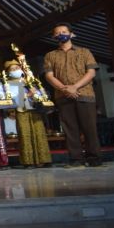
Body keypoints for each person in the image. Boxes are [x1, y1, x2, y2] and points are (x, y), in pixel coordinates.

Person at [43, 22, 101, 168]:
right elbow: (49, 76)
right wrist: (65, 89)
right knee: (70, 129)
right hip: (63, 96)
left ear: (71, 34)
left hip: (85, 94)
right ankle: (76, 159)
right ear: (54, 36)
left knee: (89, 128)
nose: (61, 34)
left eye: (64, 31)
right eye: (58, 32)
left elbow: (91, 72)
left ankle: (94, 158)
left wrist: (75, 87)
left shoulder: (84, 52)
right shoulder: (50, 55)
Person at [6, 60, 52, 168]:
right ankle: (28, 161)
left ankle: (43, 159)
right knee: (25, 135)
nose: (15, 71)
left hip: (35, 110)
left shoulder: (29, 80)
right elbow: (12, 100)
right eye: (12, 70)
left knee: (39, 133)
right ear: (8, 73)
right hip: (22, 111)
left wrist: (39, 94)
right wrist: (27, 95)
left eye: (17, 68)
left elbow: (41, 93)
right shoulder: (9, 84)